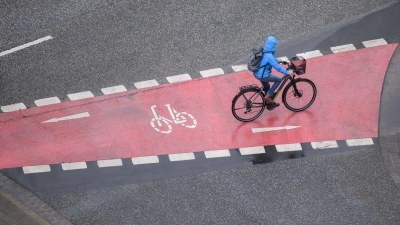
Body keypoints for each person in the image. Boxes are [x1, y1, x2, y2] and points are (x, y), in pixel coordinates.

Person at [253, 36, 293, 107]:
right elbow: (278, 68)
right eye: (274, 46)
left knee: (267, 86)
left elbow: (267, 60)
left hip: (256, 73)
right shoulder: (269, 56)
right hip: (263, 75)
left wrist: (278, 60)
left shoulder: (263, 50)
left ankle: (268, 100)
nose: (274, 47)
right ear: (271, 45)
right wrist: (288, 72)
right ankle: (268, 96)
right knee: (279, 79)